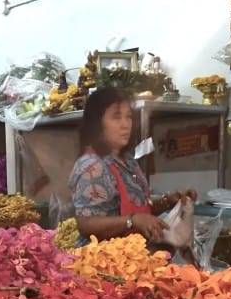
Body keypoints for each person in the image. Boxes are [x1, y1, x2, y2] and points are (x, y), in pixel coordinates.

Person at [70, 87, 197, 246]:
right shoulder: (92, 165)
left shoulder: (128, 161)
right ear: (97, 123)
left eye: (128, 116)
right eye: (116, 117)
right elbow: (86, 224)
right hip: (101, 261)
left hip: (132, 257)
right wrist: (132, 221)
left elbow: (140, 209)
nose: (126, 124)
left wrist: (168, 202)